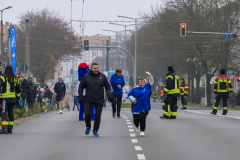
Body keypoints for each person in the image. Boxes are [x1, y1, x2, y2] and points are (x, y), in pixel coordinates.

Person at [78, 62, 112, 137]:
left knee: (98, 115)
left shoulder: (102, 77)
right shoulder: (86, 77)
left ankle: (95, 130)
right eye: (94, 68)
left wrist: (109, 95)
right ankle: (88, 126)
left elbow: (108, 87)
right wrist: (80, 96)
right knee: (87, 115)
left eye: (97, 68)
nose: (96, 70)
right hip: (89, 99)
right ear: (91, 68)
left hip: (99, 99)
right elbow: (81, 87)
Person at [128, 71, 153, 137]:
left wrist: (150, 75)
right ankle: (137, 126)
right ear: (138, 83)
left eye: (143, 81)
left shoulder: (147, 87)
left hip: (144, 107)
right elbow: (129, 95)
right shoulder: (134, 89)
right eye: (140, 81)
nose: (142, 82)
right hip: (136, 107)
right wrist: (132, 99)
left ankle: (142, 130)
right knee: (135, 121)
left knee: (142, 119)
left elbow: (151, 82)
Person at [0, 66, 21, 134]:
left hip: (5, 98)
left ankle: (4, 128)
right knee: (10, 113)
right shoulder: (15, 78)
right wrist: (17, 97)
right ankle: (10, 128)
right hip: (12, 99)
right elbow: (18, 89)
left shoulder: (3, 76)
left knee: (3, 112)